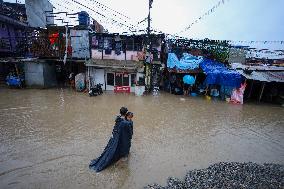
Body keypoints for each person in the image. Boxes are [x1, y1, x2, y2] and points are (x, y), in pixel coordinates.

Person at [89, 107, 133, 172]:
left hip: (115, 135)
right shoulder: (126, 122)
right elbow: (129, 132)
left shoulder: (118, 118)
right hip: (122, 137)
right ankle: (122, 156)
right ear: (126, 113)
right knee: (122, 147)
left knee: (112, 147)